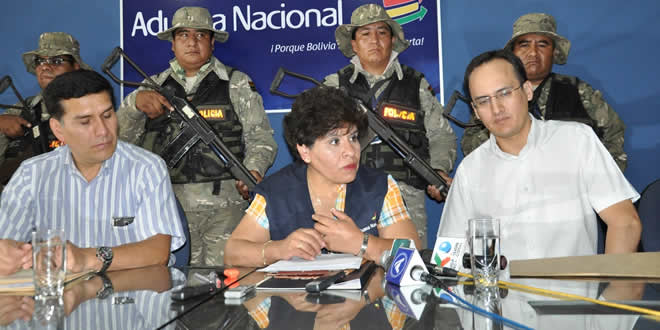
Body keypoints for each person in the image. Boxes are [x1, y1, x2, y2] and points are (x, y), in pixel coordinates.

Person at [437, 50, 641, 261]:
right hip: (499, 293)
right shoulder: (470, 170)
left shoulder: (576, 140)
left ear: (527, 91)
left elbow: (625, 223)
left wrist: (614, 291)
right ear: (475, 111)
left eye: (505, 93)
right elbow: (449, 255)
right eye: (483, 101)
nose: (496, 108)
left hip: (571, 293)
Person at [116, 6, 277, 266]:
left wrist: (253, 171)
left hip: (224, 207)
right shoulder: (151, 88)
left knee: (223, 286)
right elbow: (122, 144)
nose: (192, 42)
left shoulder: (236, 83)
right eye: (183, 35)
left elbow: (261, 138)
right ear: (173, 44)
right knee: (173, 288)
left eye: (201, 35)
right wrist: (134, 105)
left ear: (212, 43)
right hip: (167, 209)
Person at [0, 70, 184, 274]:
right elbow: (6, 241)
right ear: (58, 129)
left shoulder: (146, 168)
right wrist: (8, 255)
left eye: (107, 115)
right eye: (85, 122)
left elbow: (158, 252)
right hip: (61, 300)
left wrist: (87, 258)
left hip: (131, 298)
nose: (103, 130)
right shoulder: (30, 175)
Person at [224, 86, 420, 267]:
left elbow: (413, 252)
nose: (350, 151)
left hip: (368, 301)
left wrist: (362, 244)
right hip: (295, 303)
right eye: (334, 141)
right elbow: (232, 252)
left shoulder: (379, 186)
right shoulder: (276, 191)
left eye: (352, 137)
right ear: (304, 151)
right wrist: (279, 249)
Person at [323, 3, 457, 247]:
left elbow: (441, 136)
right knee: (349, 277)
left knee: (407, 271)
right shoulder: (334, 86)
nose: (374, 40)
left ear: (392, 39)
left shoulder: (416, 85)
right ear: (354, 44)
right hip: (347, 197)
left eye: (381, 32)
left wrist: (437, 170)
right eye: (365, 33)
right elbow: (316, 144)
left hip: (407, 200)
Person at [461, 13, 627, 172]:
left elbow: (613, 135)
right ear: (513, 52)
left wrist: (600, 183)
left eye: (542, 45)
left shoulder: (579, 91)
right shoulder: (492, 97)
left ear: (554, 52)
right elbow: (471, 148)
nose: (533, 53)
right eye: (524, 44)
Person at [0, 32, 91, 187]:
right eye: (40, 61)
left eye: (57, 61)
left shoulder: (93, 110)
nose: (45, 67)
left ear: (75, 67)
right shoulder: (20, 110)